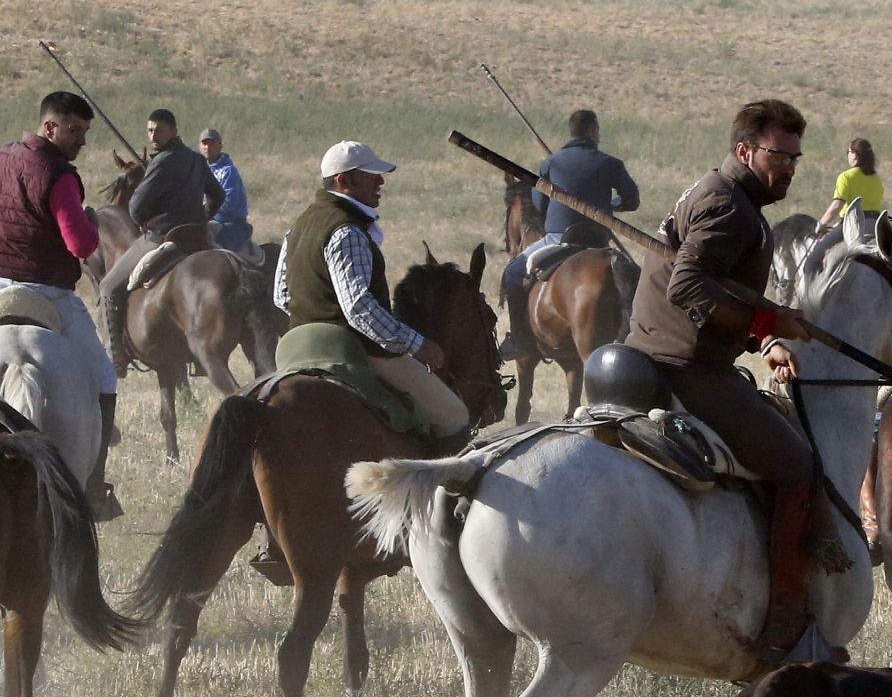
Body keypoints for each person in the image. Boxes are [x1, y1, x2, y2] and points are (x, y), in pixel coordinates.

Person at [626, 100, 831, 661]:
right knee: (797, 467)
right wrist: (767, 320)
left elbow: (722, 290)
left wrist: (763, 337)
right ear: (746, 150)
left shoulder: (724, 193)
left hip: (664, 353)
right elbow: (689, 289)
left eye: (795, 157)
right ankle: (786, 621)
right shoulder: (729, 207)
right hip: (687, 368)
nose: (788, 166)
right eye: (778, 155)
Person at [273, 141, 469, 452]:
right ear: (344, 181)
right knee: (453, 415)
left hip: (296, 348)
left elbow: (282, 296)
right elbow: (359, 308)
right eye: (371, 175)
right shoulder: (347, 231)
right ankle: (442, 499)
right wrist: (419, 345)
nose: (380, 181)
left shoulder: (297, 227)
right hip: (352, 349)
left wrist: (316, 314)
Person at [0, 92, 123, 519]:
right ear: (50, 127)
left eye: (86, 133)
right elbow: (81, 244)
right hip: (49, 293)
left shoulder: (2, 159)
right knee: (106, 377)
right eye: (75, 130)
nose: (82, 141)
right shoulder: (59, 176)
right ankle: (94, 486)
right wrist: (90, 222)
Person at [497, 109, 640, 361]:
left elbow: (539, 205)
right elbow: (632, 199)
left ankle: (520, 339)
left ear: (572, 131)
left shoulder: (552, 163)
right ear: (593, 131)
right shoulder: (610, 163)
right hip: (598, 239)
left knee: (513, 272)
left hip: (558, 238)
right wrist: (610, 206)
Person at [100, 108, 225, 377]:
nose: (153, 135)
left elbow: (135, 208)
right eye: (150, 130)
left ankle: (115, 357)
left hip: (161, 237)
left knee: (108, 286)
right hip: (196, 238)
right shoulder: (195, 159)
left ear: (173, 131)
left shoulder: (162, 161)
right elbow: (217, 195)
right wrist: (202, 218)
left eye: (159, 130)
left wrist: (145, 220)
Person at [198, 129, 257, 258]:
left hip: (230, 225)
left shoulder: (228, 172)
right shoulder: (197, 171)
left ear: (220, 146)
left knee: (218, 258)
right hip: (207, 222)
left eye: (212, 144)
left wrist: (204, 210)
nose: (208, 147)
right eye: (204, 144)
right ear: (200, 147)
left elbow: (229, 203)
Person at [817, 138, 882, 234]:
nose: (848, 155)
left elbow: (837, 205)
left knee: (818, 249)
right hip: (876, 227)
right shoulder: (877, 178)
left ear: (855, 155)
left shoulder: (845, 177)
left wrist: (821, 224)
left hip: (853, 225)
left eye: (849, 151)